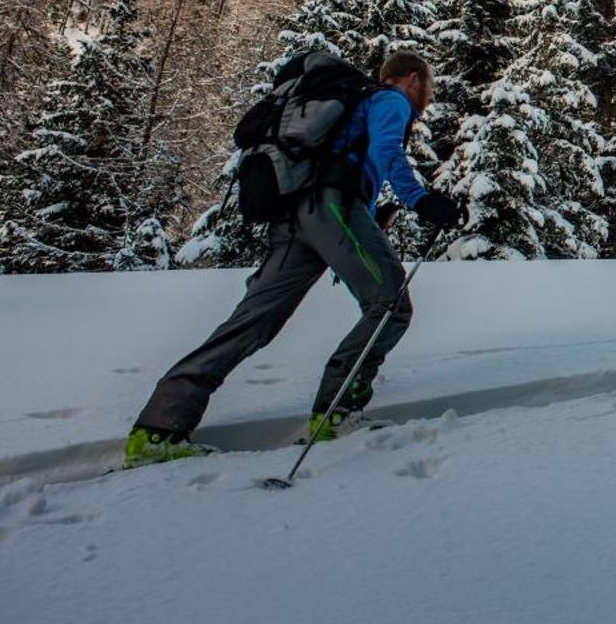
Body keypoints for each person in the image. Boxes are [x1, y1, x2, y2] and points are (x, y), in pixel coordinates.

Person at [123, 51, 464, 466]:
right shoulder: (391, 100)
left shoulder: (357, 103)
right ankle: (338, 412)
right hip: (331, 207)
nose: (427, 95)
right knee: (391, 304)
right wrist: (424, 201)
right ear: (413, 79)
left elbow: (353, 161)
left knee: (254, 319)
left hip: (294, 214)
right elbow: (388, 152)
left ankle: (158, 428)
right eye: (427, 85)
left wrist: (372, 213)